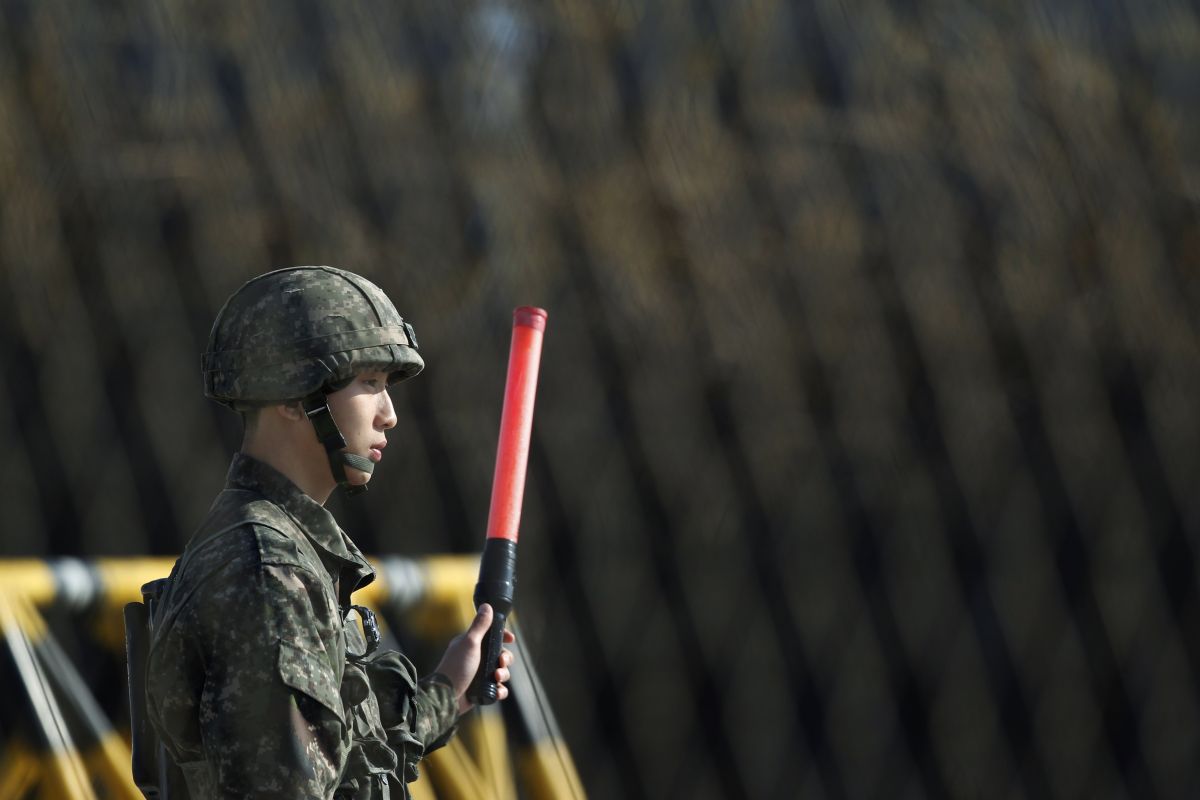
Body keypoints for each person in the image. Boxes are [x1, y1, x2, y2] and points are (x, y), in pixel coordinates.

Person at [144, 266, 513, 799]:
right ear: (294, 396)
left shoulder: (281, 549)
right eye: (369, 383)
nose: (389, 415)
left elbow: (337, 755)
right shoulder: (267, 571)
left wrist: (449, 693)